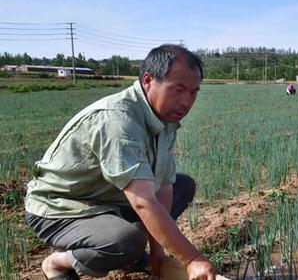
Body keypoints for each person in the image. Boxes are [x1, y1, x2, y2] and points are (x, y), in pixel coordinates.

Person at [24, 44, 215, 280]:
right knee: (125, 241)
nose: (186, 101)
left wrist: (158, 253)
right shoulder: (118, 121)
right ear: (148, 81)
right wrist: (192, 259)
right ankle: (57, 264)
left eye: (194, 92)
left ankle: (128, 254)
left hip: (108, 199)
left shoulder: (166, 118)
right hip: (61, 207)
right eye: (178, 89)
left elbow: (163, 186)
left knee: (182, 187)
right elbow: (144, 202)